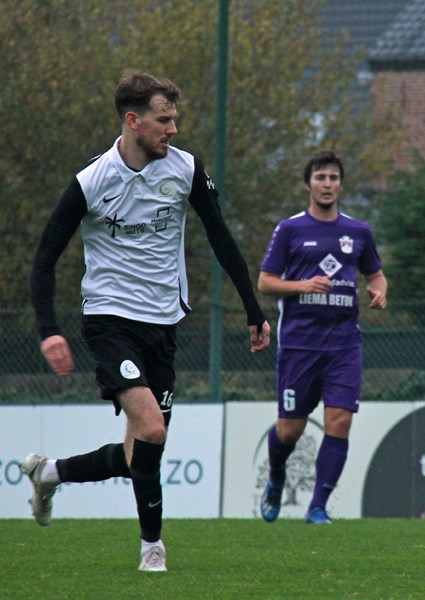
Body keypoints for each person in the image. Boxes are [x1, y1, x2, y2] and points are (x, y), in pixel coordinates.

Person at [24, 70, 270, 572]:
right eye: (164, 120)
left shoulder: (185, 169)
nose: (173, 129)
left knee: (143, 449)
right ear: (133, 121)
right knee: (153, 430)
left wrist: (252, 307)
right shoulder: (92, 182)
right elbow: (45, 257)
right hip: (109, 320)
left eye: (175, 119)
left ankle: (51, 473)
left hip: (163, 324)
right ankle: (151, 548)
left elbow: (221, 237)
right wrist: (49, 328)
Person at [257, 150, 387, 525]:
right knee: (289, 429)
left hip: (344, 343)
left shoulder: (358, 231)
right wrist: (302, 285)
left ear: (341, 185)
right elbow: (265, 282)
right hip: (299, 343)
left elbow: (375, 274)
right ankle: (277, 476)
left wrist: (380, 291)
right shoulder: (290, 229)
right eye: (320, 178)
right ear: (308, 184)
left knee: (340, 422)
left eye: (333, 178)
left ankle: (317, 506)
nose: (327, 184)